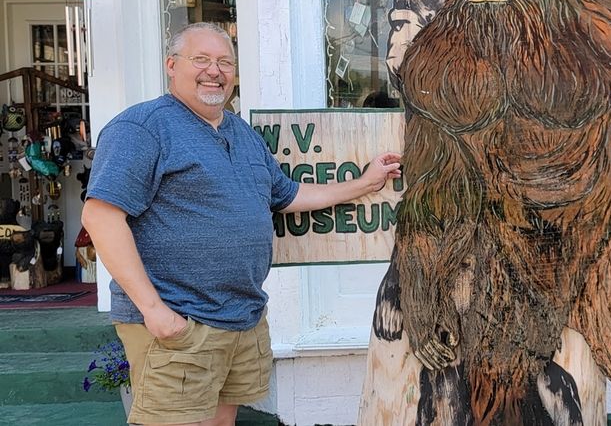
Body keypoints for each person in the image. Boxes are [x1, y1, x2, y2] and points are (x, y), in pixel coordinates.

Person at [82, 22, 402, 426]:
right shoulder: (143, 128)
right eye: (200, 60)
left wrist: (364, 183)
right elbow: (101, 216)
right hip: (180, 320)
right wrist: (155, 311)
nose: (214, 71)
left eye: (224, 62)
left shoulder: (243, 135)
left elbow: (287, 196)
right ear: (171, 65)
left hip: (241, 319)